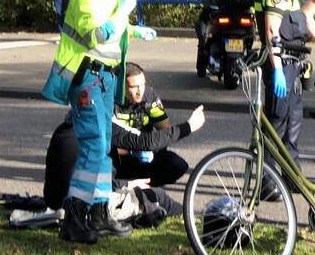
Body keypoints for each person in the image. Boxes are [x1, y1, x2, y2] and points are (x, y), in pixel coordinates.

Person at [42, 0, 158, 244]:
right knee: (94, 146)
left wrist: (133, 30)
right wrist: (123, 14)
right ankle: (74, 216)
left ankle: (99, 212)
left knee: (105, 146)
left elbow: (114, 26)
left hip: (104, 79)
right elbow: (97, 34)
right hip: (87, 78)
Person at [42, 63, 204, 210]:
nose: (140, 90)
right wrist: (188, 127)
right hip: (109, 167)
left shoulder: (71, 127)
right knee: (157, 198)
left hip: (79, 190)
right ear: (120, 87)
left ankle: (138, 185)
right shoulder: (104, 110)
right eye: (134, 87)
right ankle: (143, 190)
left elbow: (162, 132)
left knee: (174, 165)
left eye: (143, 85)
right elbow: (141, 141)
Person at [254, 0, 312, 161]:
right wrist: (277, 68)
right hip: (281, 65)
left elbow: (301, 19)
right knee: (275, 125)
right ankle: (268, 183)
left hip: (293, 66)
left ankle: (291, 179)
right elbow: (271, 31)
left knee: (292, 125)